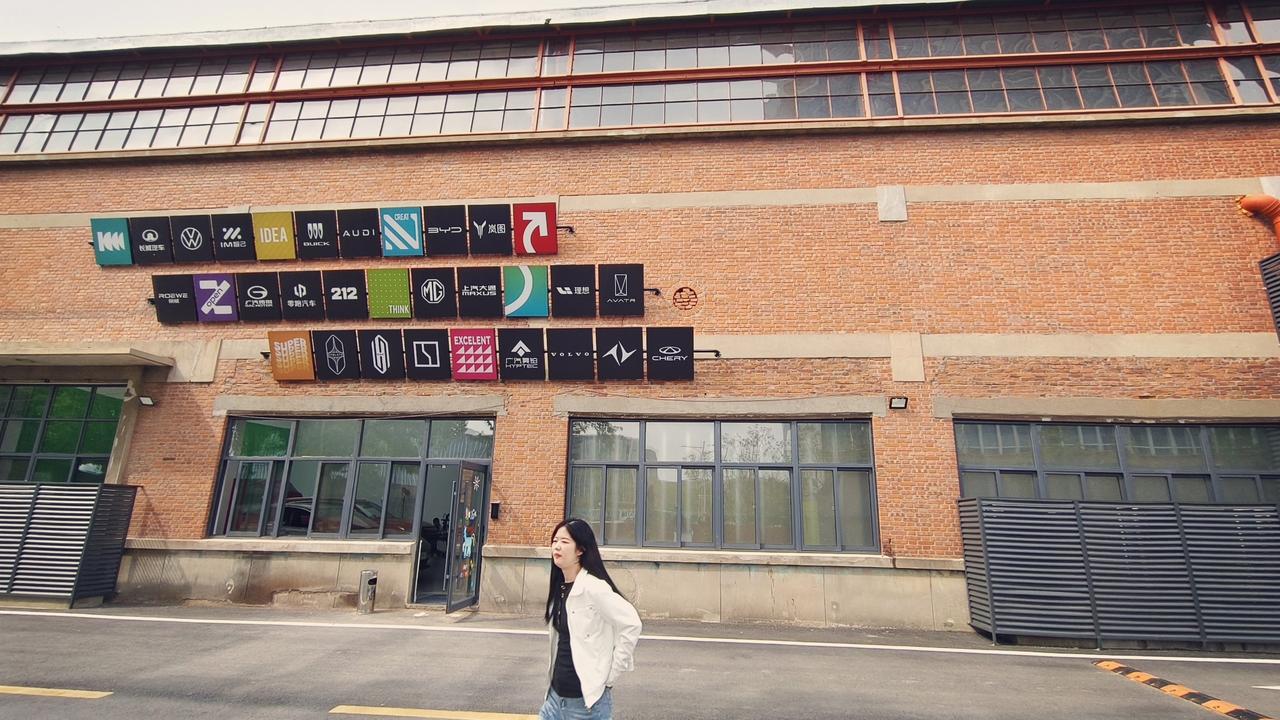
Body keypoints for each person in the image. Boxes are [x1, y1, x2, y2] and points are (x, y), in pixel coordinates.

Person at [540, 518, 642, 720]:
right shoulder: (560, 588)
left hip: (585, 707)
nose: (557, 546)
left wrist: (610, 676)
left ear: (580, 550)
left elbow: (632, 624)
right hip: (554, 700)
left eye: (565, 542)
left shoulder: (594, 588)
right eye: (555, 541)